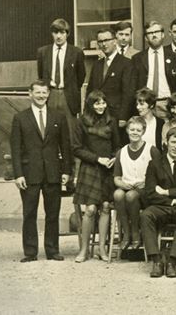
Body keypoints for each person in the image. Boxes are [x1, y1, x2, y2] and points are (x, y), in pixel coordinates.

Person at [11, 80, 72, 262]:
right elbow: (15, 148)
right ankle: (30, 252)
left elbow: (65, 146)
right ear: (30, 94)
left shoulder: (58, 117)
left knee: (52, 213)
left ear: (48, 94)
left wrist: (66, 171)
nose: (41, 96)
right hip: (30, 174)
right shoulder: (20, 118)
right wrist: (18, 174)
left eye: (44, 92)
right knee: (29, 213)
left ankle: (52, 250)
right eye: (37, 92)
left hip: (53, 172)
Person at [141, 128, 176, 278]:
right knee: (146, 214)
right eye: (173, 142)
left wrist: (167, 192)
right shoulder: (154, 164)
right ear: (166, 143)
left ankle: (173, 261)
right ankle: (157, 260)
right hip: (162, 206)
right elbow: (150, 193)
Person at [71, 91, 121, 262]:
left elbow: (117, 146)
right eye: (97, 103)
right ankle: (84, 250)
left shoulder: (111, 121)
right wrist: (97, 159)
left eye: (103, 103)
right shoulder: (81, 122)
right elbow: (76, 148)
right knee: (91, 209)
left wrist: (113, 159)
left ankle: (102, 249)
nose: (101, 106)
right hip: (90, 168)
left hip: (107, 170)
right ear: (90, 105)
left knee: (106, 207)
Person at [113, 117, 156, 251]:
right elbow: (117, 177)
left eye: (138, 130)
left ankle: (136, 233)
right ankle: (126, 234)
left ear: (143, 131)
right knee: (118, 194)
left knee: (131, 196)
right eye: (132, 129)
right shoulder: (122, 152)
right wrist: (122, 184)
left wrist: (146, 182)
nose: (135, 132)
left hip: (145, 191)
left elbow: (160, 176)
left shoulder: (151, 150)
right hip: (128, 188)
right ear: (127, 131)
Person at [134, 21, 176, 118]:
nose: (154, 35)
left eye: (156, 32)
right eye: (150, 33)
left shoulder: (175, 58)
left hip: (167, 104)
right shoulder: (137, 58)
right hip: (145, 104)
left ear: (163, 35)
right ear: (145, 38)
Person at [37, 18, 87, 116]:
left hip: (68, 96)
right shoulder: (43, 52)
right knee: (50, 128)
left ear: (67, 34)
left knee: (69, 128)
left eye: (62, 32)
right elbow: (41, 75)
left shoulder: (76, 52)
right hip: (50, 94)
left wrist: (71, 89)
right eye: (55, 32)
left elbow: (81, 76)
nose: (58, 36)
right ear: (52, 34)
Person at [87, 28, 135, 127]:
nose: (104, 44)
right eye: (100, 41)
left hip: (116, 116)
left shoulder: (126, 63)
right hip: (97, 116)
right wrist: (87, 114)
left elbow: (128, 93)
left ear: (114, 41)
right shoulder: (97, 65)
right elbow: (90, 91)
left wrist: (123, 117)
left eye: (107, 40)